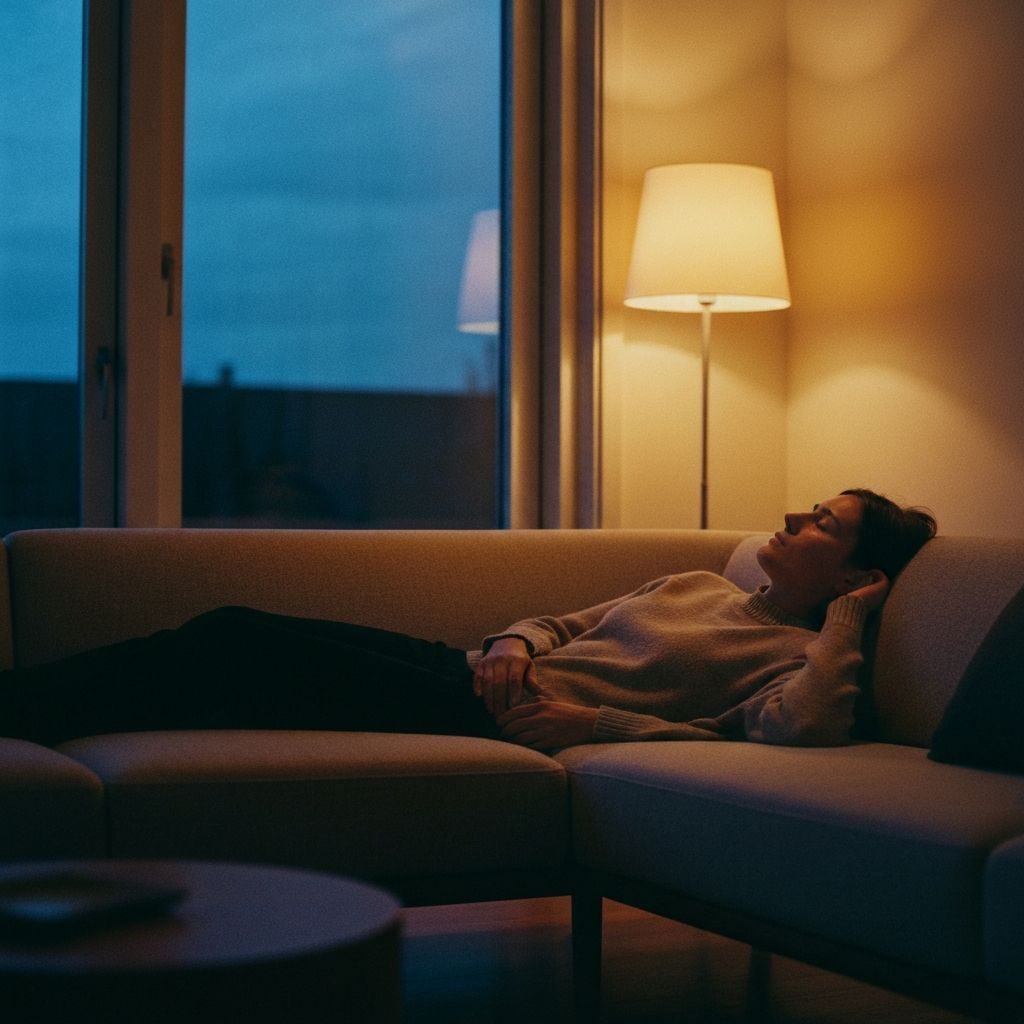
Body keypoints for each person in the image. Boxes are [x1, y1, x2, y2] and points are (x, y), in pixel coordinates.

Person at [1, 488, 936, 752]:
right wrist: (511, 644)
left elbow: (793, 731)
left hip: (485, 717)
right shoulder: (696, 582)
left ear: (860, 570)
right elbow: (560, 622)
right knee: (229, 628)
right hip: (468, 669)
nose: (792, 520)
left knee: (234, 649)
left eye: (825, 525)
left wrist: (595, 725)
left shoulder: (797, 657)